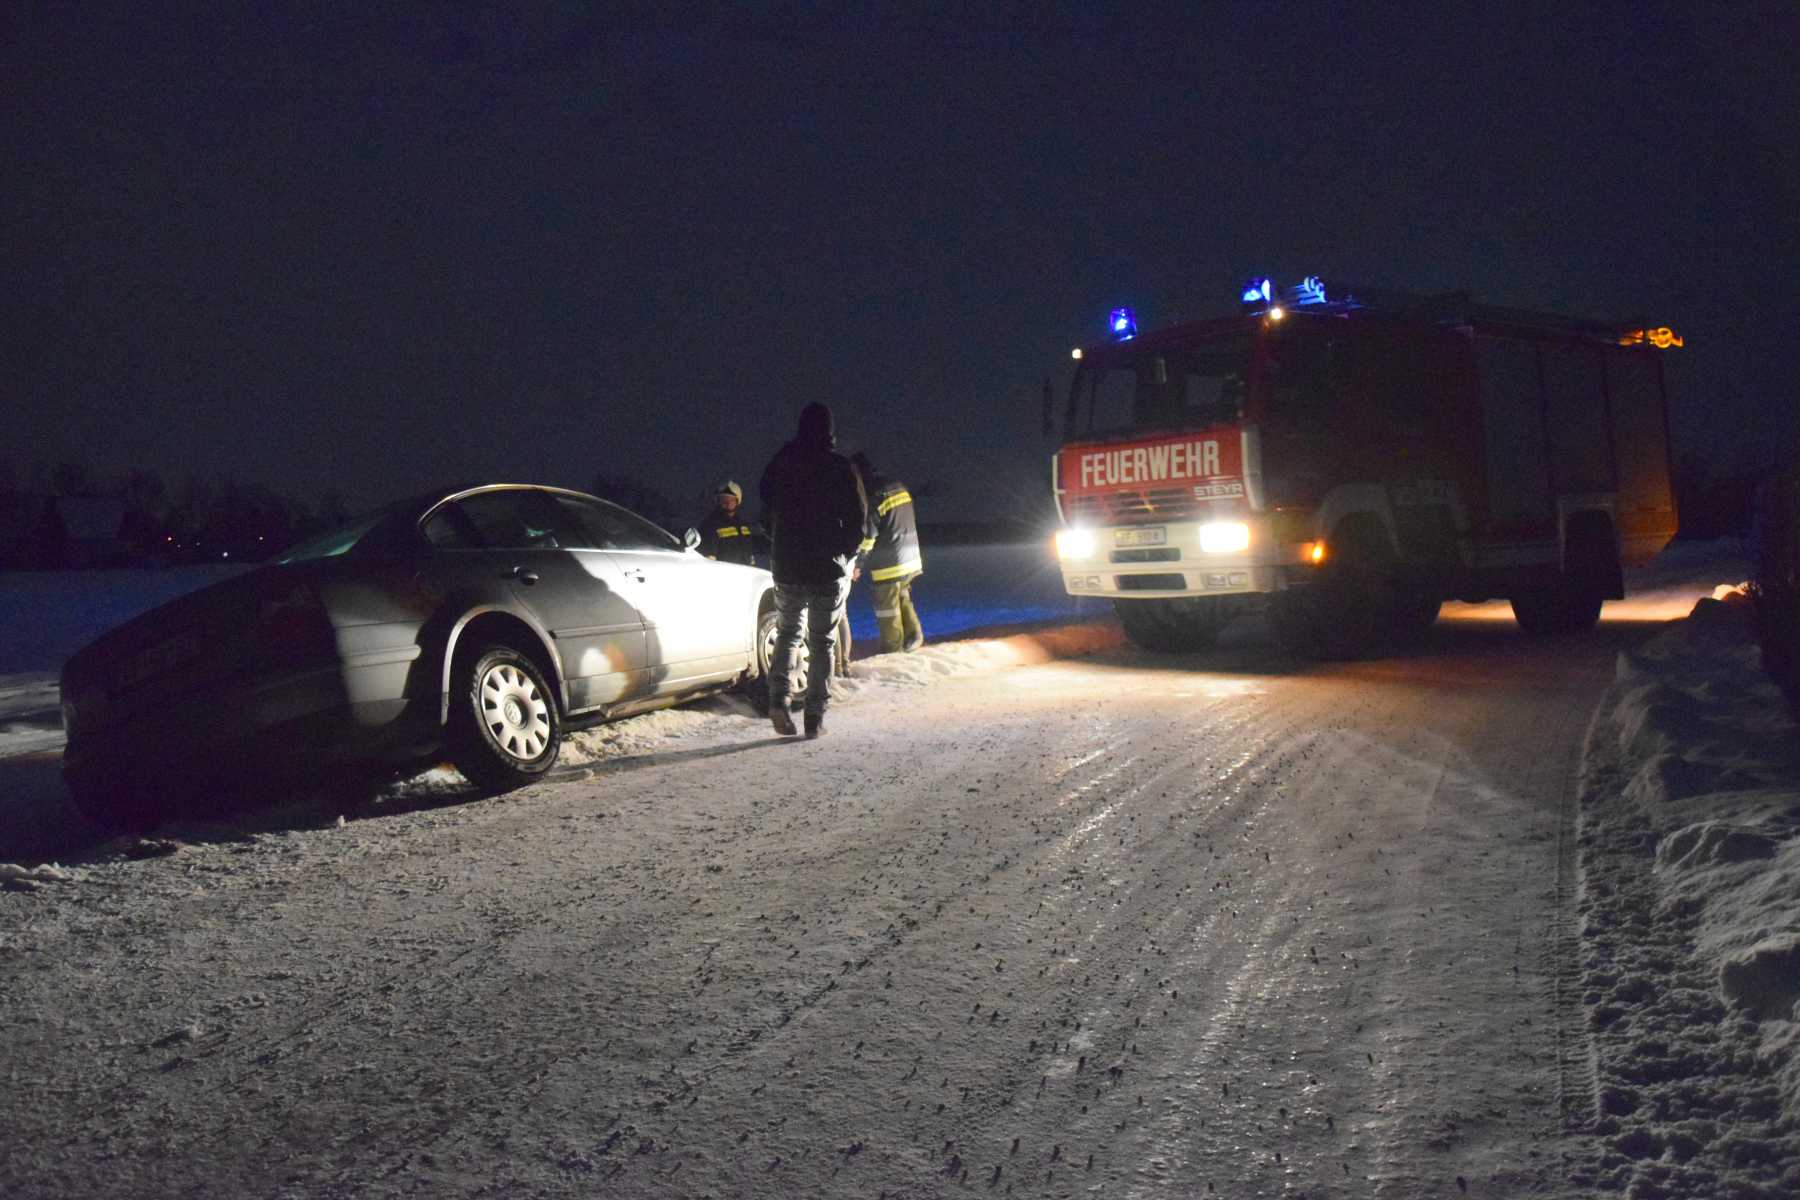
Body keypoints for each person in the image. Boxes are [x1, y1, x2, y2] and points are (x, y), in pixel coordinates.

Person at [759, 402, 868, 738]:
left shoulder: (780, 464)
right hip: (827, 567)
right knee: (822, 641)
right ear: (830, 430)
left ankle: (779, 700)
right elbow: (858, 521)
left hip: (788, 565)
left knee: (789, 634)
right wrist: (842, 553)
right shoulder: (840, 467)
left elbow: (765, 510)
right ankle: (814, 717)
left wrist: (780, 544)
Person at [851, 451, 925, 653]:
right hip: (910, 556)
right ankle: (914, 635)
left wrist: (858, 565)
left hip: (889, 563)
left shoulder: (871, 494)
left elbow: (868, 536)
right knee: (903, 597)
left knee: (887, 610)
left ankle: (892, 651)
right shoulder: (895, 485)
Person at [694, 480, 765, 567]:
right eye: (724, 499)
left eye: (731, 499)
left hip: (747, 575)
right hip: (725, 576)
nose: (727, 503)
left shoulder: (743, 526)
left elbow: (750, 553)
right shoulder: (710, 525)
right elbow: (707, 559)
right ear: (718, 501)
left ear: (737, 501)